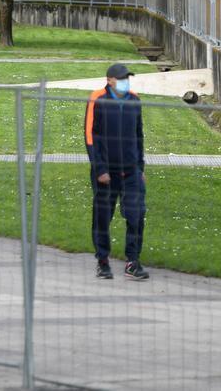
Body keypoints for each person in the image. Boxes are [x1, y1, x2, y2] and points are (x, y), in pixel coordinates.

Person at [84, 63, 149, 281]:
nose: (125, 81)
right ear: (109, 80)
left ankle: (133, 260)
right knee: (103, 216)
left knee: (136, 214)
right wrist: (100, 169)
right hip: (106, 171)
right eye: (121, 78)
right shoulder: (98, 99)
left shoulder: (134, 100)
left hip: (131, 171)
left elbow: (139, 135)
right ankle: (103, 261)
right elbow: (91, 137)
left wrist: (140, 167)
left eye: (127, 78)